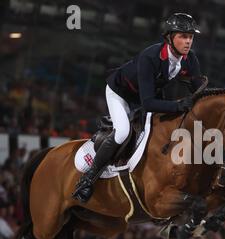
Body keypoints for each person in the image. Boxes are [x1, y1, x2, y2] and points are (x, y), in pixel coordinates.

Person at [72, 13, 202, 203]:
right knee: (123, 132)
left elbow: (199, 88)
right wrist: (178, 105)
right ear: (169, 37)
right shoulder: (150, 57)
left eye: (191, 36)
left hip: (147, 94)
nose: (188, 41)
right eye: (183, 36)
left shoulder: (190, 59)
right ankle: (87, 179)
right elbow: (148, 103)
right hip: (121, 93)